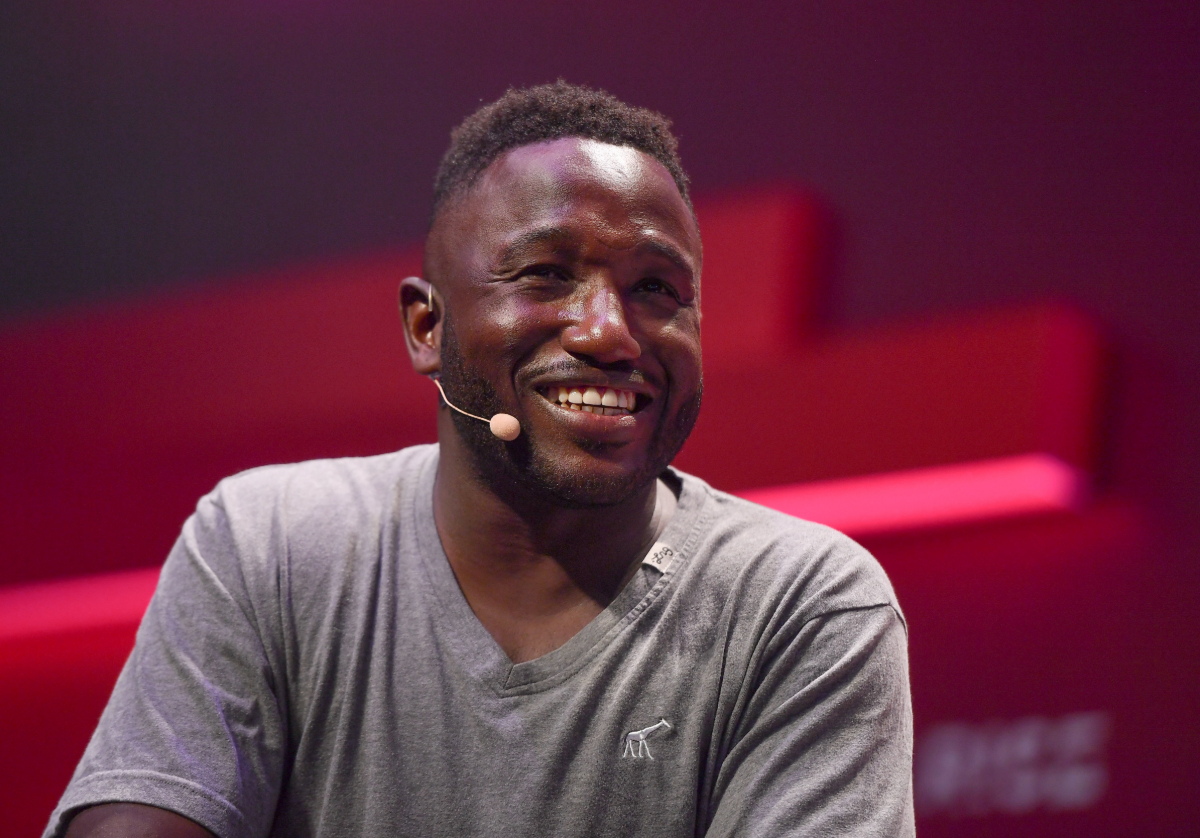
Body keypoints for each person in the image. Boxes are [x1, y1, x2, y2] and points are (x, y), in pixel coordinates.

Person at [48, 81, 913, 838]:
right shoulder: (269, 544)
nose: (610, 333)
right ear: (427, 328)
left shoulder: (800, 604)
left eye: (656, 288)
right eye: (545, 274)